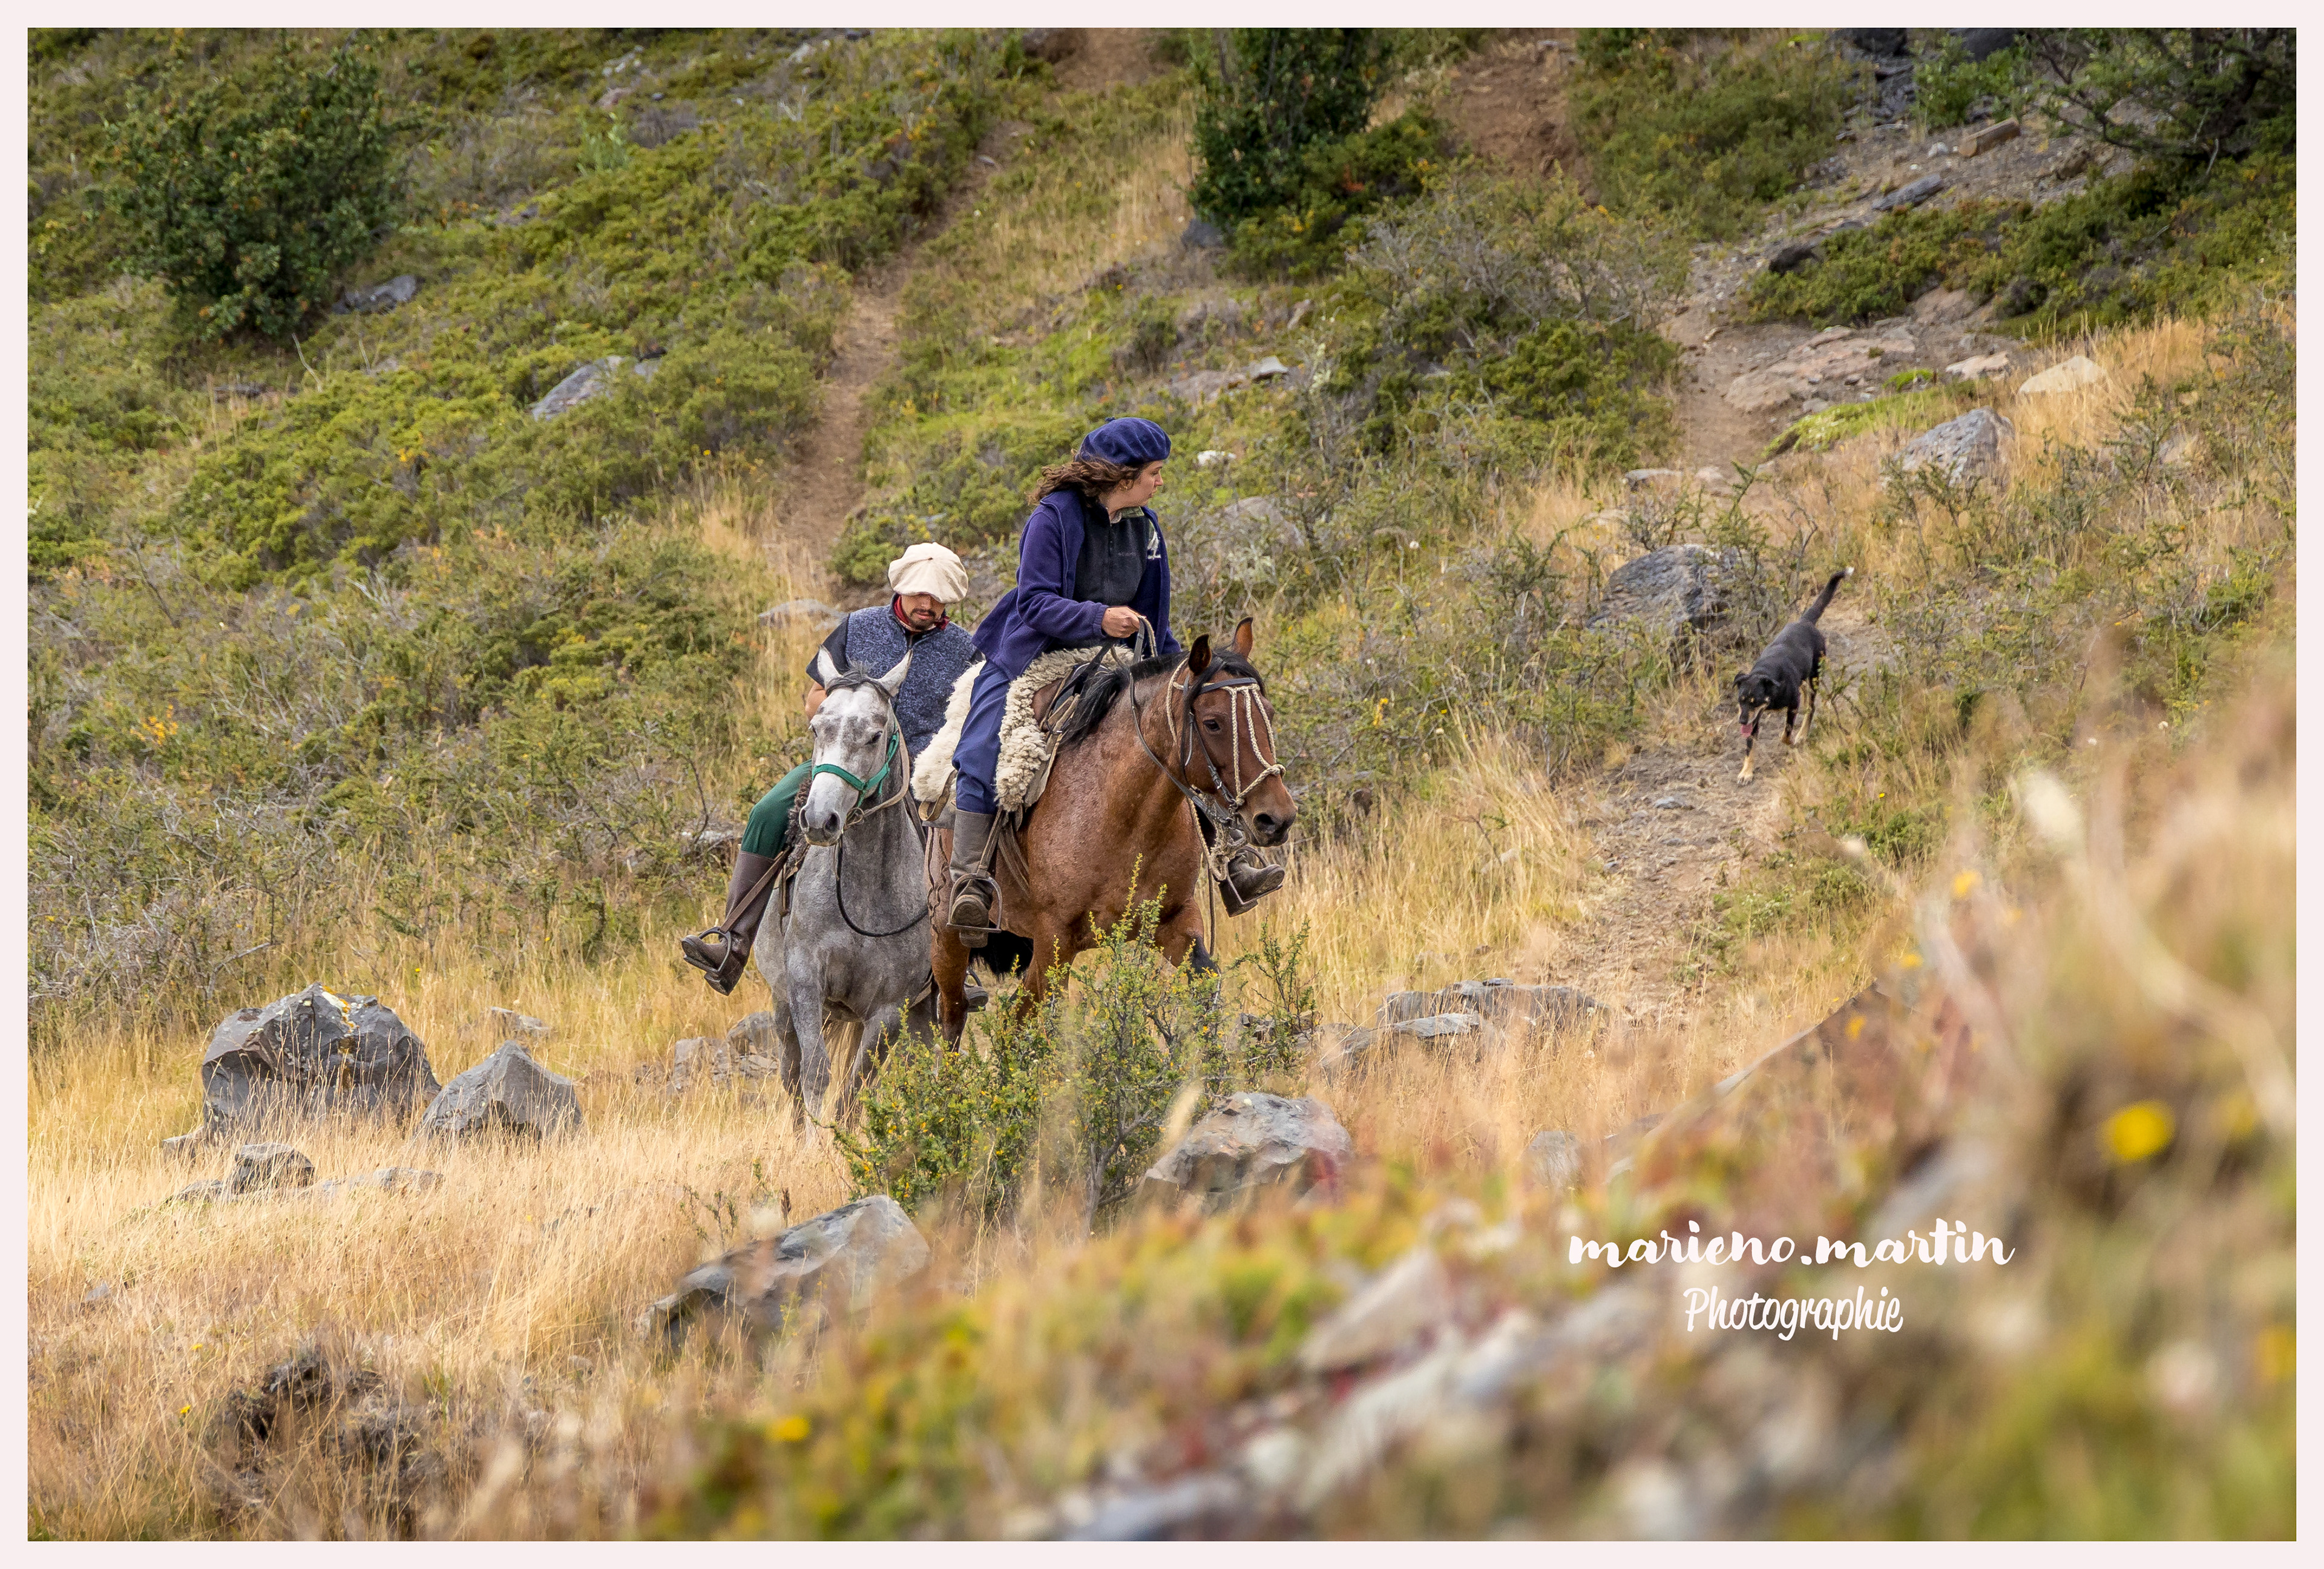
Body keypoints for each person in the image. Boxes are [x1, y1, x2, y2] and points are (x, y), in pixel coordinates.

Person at [945, 416, 1284, 941]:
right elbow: (1034, 603)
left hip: (1118, 658)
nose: (1159, 482)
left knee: (1187, 728)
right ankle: (969, 883)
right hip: (1033, 654)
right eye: (1154, 472)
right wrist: (1097, 619)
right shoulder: (1052, 518)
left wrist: (1183, 676)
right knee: (982, 746)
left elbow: (1156, 620)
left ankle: (1231, 865)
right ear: (1123, 476)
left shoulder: (1145, 528)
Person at [681, 542, 981, 995]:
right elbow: (814, 702)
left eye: (938, 597)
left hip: (925, 774)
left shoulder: (964, 649)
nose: (928, 604)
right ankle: (733, 940)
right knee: (766, 811)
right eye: (920, 593)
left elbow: (971, 715)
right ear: (900, 587)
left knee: (959, 835)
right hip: (845, 760)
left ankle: (955, 966)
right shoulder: (858, 628)